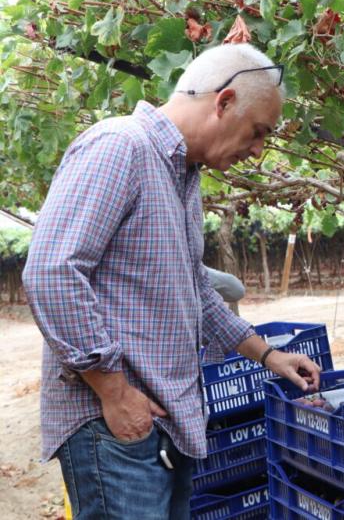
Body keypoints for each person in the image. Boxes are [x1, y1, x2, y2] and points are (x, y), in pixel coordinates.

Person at [22, 43, 321, 519]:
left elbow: (194, 290)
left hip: (158, 421)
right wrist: (114, 392)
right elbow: (53, 272)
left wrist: (267, 354)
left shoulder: (181, 175)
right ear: (223, 102)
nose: (260, 150)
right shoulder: (121, 147)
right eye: (258, 131)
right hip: (114, 425)